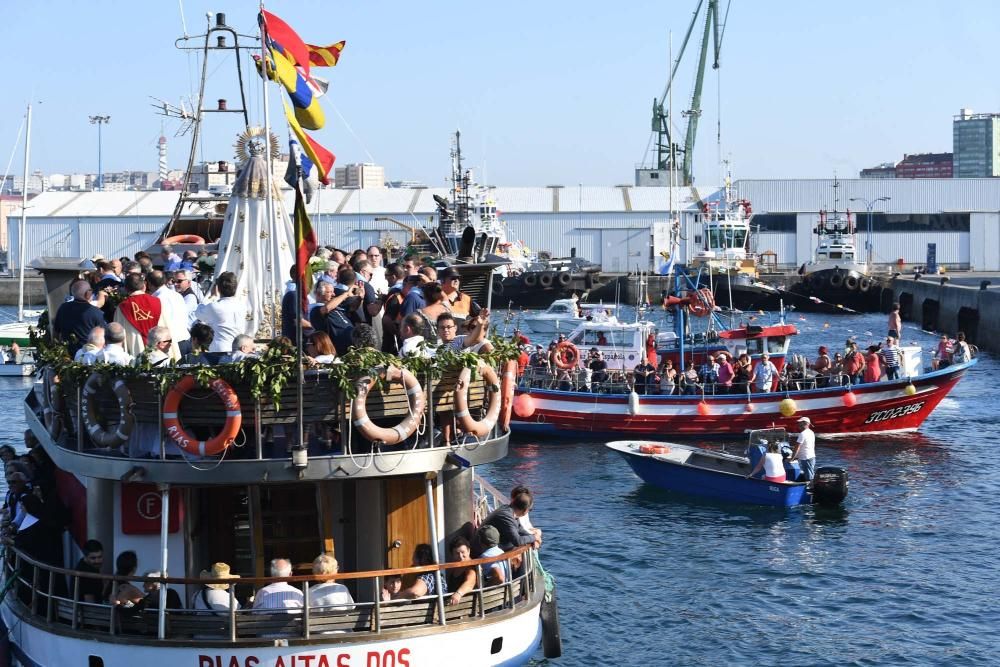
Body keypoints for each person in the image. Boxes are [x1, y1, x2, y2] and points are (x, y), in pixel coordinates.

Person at [194, 272, 251, 353]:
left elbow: (198, 313)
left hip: (220, 348)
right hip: (240, 348)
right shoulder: (243, 306)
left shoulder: (214, 306)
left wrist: (211, 296)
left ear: (218, 289)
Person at [53, 279, 107, 356]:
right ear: (87, 294)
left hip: (66, 354)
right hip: (87, 356)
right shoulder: (95, 312)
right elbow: (104, 335)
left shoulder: (63, 308)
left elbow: (56, 332)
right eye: (90, 290)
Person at [148, 269, 191, 354]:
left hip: (171, 344)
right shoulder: (177, 295)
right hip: (184, 339)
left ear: (149, 284)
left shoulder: (156, 300)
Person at [446, 536, 478, 606]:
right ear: (452, 555)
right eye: (457, 553)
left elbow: (470, 582)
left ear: (469, 551)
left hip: (467, 607)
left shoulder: (471, 568)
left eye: (463, 552)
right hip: (454, 607)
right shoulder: (455, 568)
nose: (460, 556)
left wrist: (458, 594)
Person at [75, 539, 105, 603]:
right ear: (85, 557)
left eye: (100, 557)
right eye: (93, 558)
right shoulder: (88, 573)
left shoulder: (83, 564)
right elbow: (89, 602)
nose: (97, 561)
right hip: (88, 611)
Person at [790, 416, 816, 481]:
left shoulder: (802, 434)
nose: (798, 424)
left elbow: (797, 447)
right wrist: (797, 456)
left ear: (805, 424)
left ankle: (809, 488)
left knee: (809, 477)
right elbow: (810, 445)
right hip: (811, 456)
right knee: (809, 473)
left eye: (800, 423)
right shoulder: (811, 432)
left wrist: (792, 459)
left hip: (806, 458)